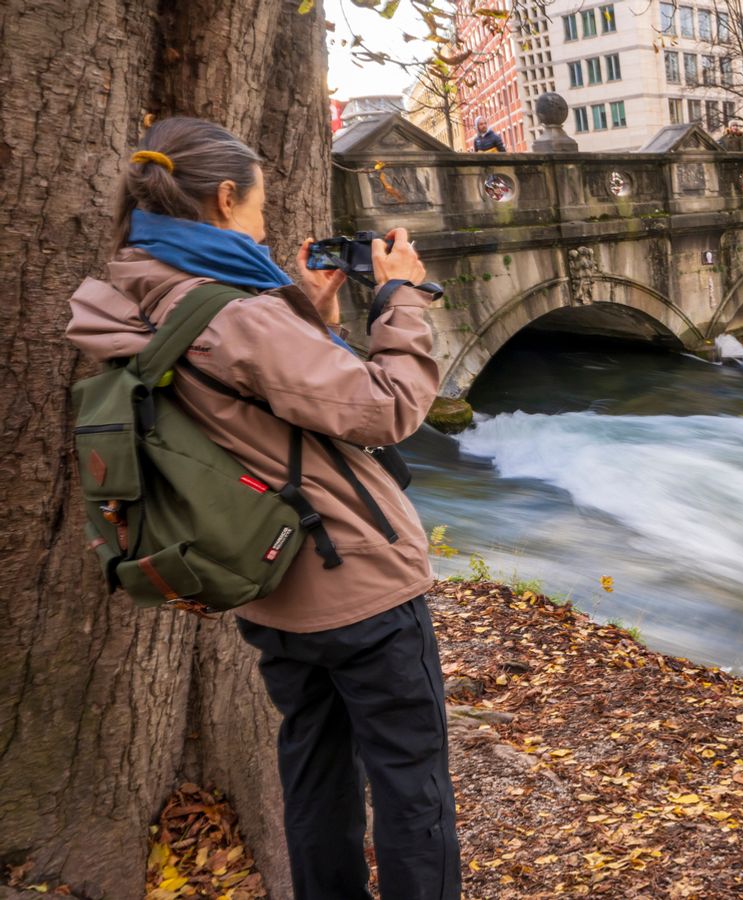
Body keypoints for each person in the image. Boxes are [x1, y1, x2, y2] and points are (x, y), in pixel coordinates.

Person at [66, 117, 459, 900]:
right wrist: (402, 300)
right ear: (223, 197)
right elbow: (385, 409)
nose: (263, 224)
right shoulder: (236, 312)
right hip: (359, 584)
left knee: (315, 769)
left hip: (268, 584)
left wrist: (303, 319)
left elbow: (239, 405)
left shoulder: (134, 297)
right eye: (258, 206)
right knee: (411, 782)